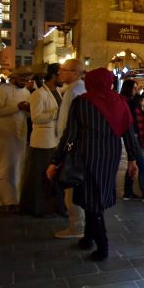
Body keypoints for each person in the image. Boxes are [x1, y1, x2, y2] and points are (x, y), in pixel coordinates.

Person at [46, 68, 140, 261]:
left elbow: (70, 135)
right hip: (110, 157)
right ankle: (88, 238)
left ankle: (102, 247)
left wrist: (56, 160)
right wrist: (133, 159)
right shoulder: (120, 103)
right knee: (94, 196)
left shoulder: (82, 103)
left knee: (92, 199)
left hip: (87, 156)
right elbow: (129, 134)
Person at [20, 63, 63, 217]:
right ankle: (37, 207)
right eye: (60, 73)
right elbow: (36, 118)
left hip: (55, 139)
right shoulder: (38, 94)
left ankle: (51, 206)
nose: (63, 77)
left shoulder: (58, 91)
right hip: (42, 140)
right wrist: (56, 113)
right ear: (53, 75)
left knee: (51, 175)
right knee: (39, 175)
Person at [0, 67, 32, 212]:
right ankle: (7, 200)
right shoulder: (2, 90)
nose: (24, 83)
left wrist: (28, 110)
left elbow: (26, 115)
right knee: (5, 166)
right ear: (13, 78)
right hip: (4, 135)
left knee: (18, 166)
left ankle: (17, 198)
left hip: (20, 134)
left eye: (26, 80)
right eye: (22, 79)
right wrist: (17, 107)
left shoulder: (26, 92)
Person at [54, 59, 87, 239]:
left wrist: (62, 150)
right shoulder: (74, 89)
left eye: (63, 70)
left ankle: (77, 226)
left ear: (75, 72)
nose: (60, 73)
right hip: (74, 146)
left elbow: (68, 124)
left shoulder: (74, 91)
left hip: (71, 148)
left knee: (71, 187)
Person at [120, 79, 144, 202]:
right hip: (135, 135)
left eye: (136, 88)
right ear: (128, 88)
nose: (136, 90)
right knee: (143, 164)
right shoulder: (129, 103)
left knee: (133, 163)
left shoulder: (128, 101)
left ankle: (128, 192)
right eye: (134, 88)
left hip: (134, 135)